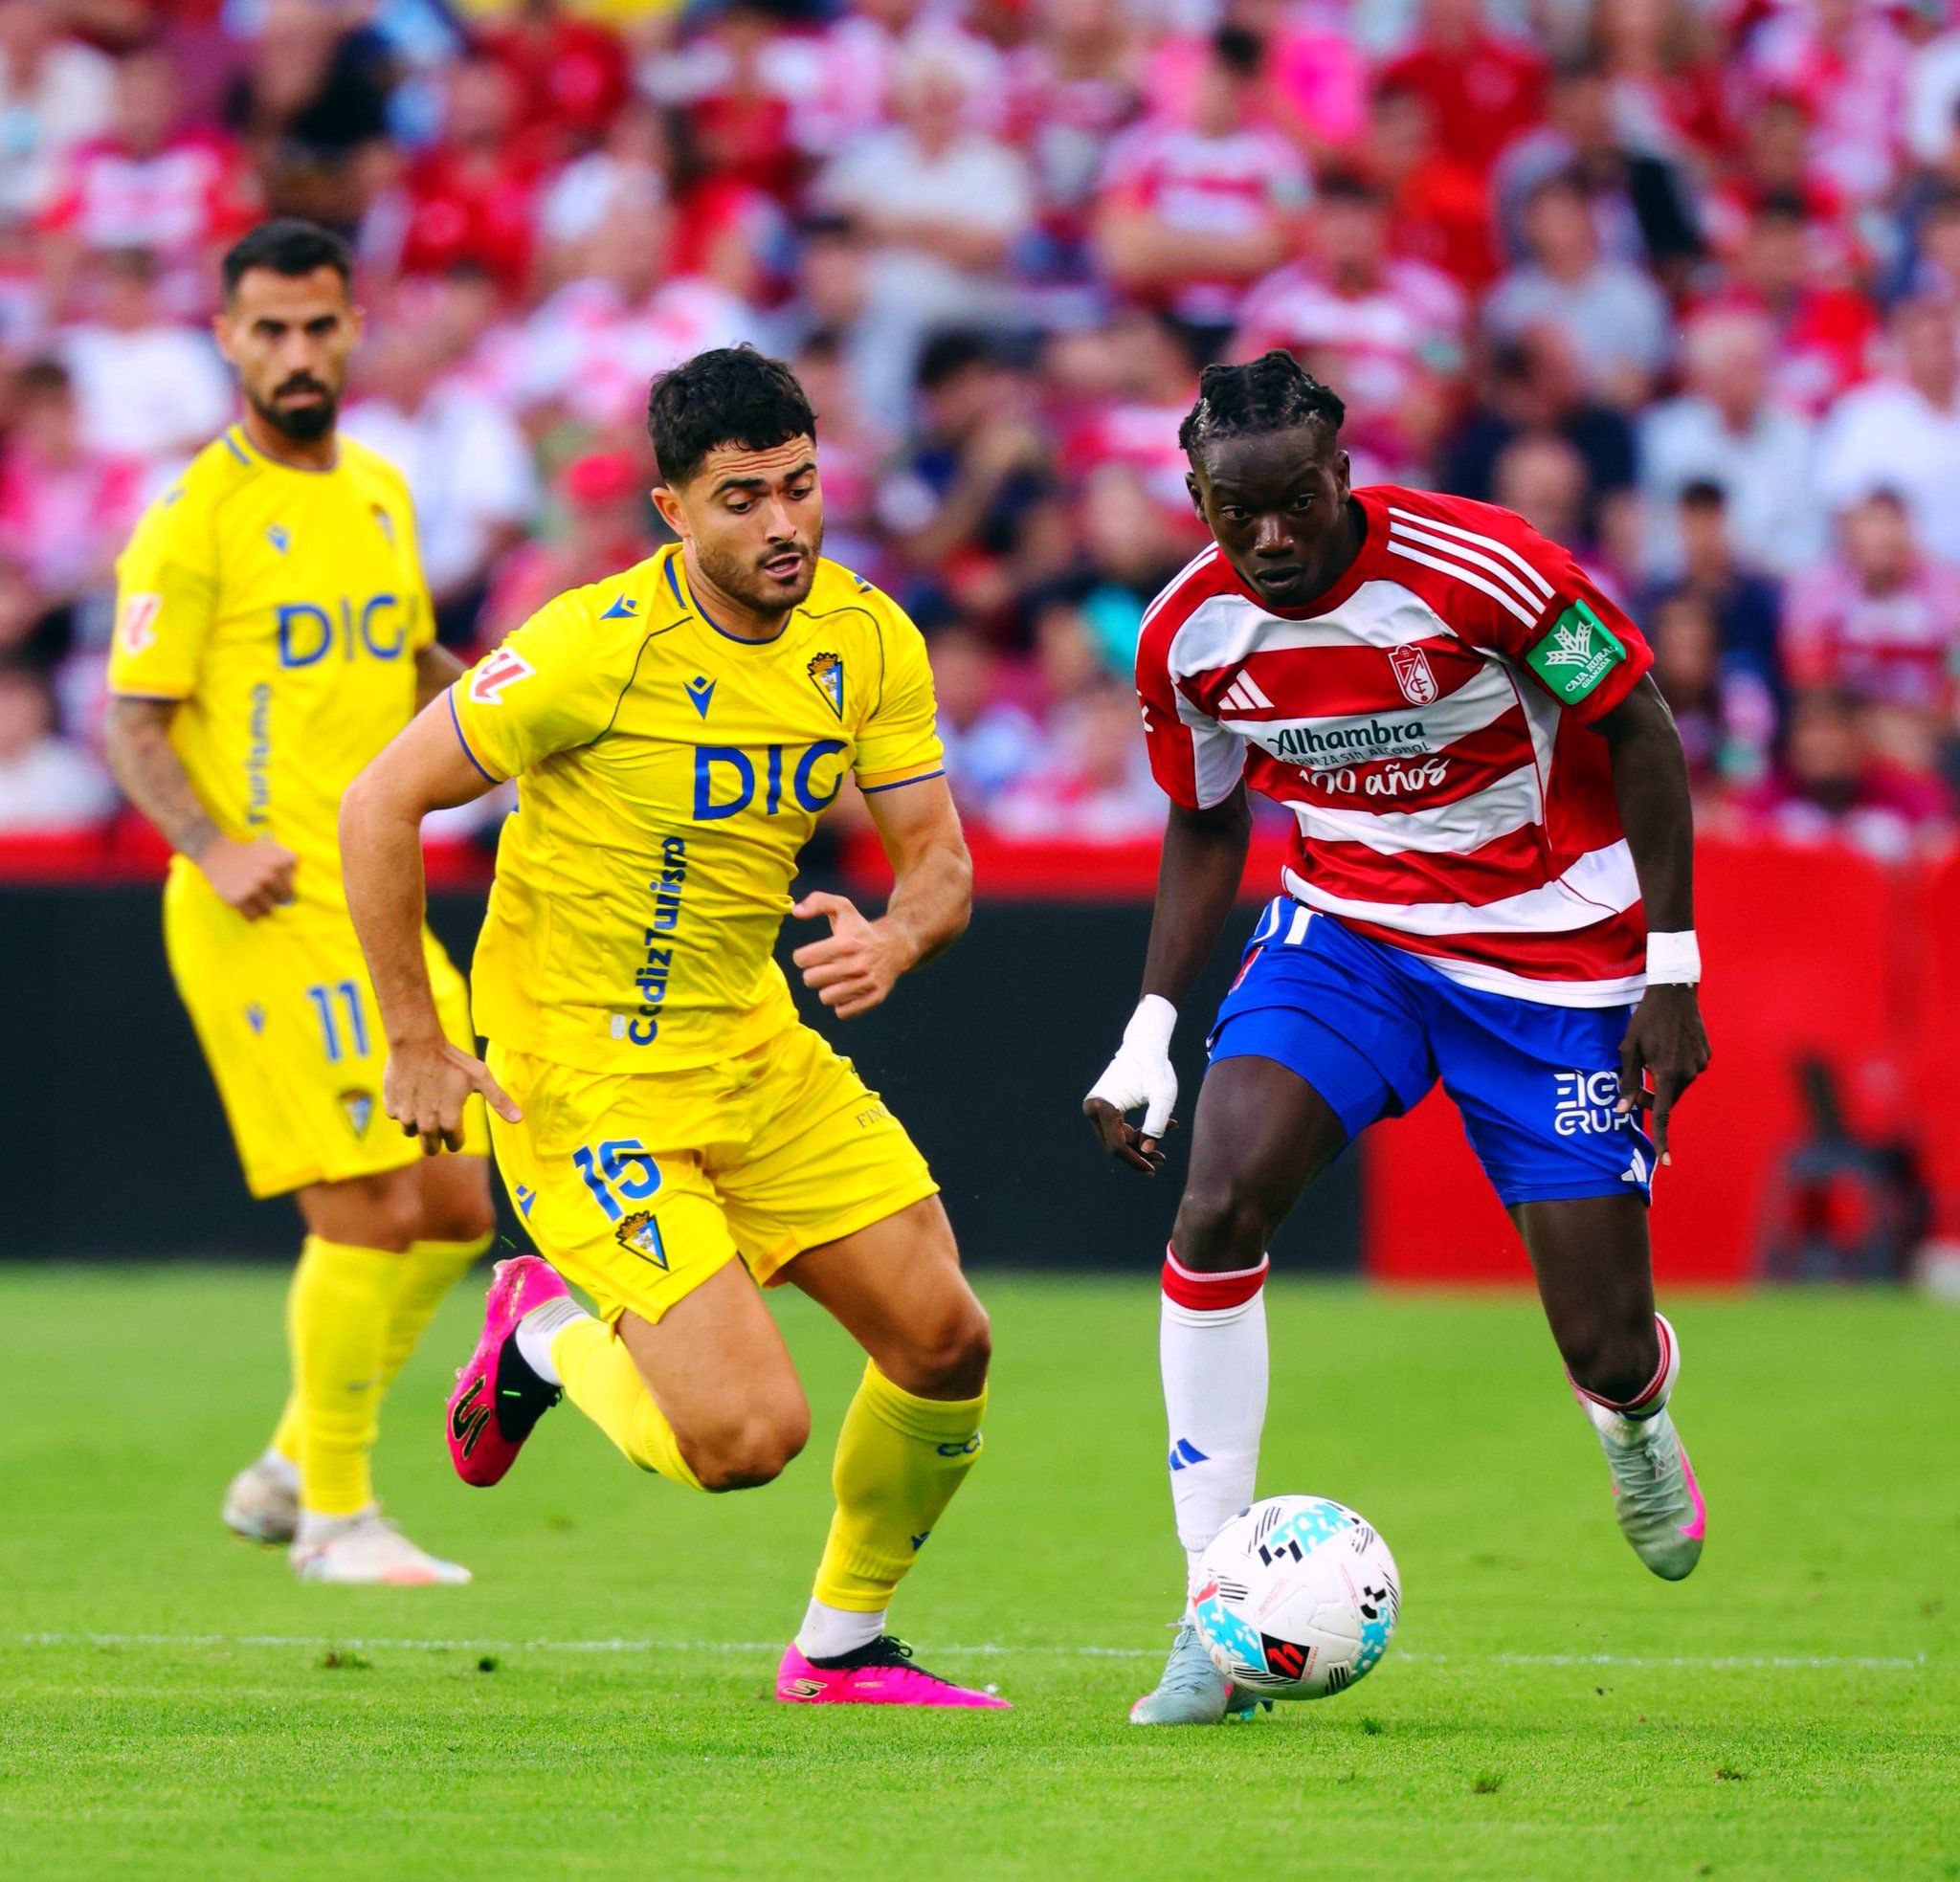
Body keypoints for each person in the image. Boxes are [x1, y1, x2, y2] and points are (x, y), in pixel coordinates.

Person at [337, 345, 1006, 1710]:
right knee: (745, 1437)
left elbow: (936, 857)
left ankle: (841, 1647)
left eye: (802, 490)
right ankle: (538, 1334)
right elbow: (376, 804)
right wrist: (413, 1035)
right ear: (672, 511)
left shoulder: (865, 637)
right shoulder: (594, 648)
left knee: (947, 1341)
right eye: (743, 499)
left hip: (752, 1045)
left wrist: (903, 932)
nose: (783, 527)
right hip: (587, 1077)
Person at [1082, 352, 1712, 1726]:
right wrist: (1151, 1028)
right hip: (1351, 938)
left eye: (1295, 503)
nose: (1271, 538)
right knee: (1218, 1199)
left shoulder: (1488, 570)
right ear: (1193, 495)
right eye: (1233, 510)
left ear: (1341, 475)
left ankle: (1635, 1419)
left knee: (1601, 1339)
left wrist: (1672, 969)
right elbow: (1206, 819)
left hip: (1558, 960)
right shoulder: (1186, 634)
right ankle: (1210, 1605)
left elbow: (1643, 727)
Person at [101, 219, 497, 1586]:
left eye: (318, 326)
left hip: (370, 897)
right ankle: (337, 1516)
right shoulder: (193, 515)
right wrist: (211, 847)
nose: (296, 353)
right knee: (366, 1212)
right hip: (260, 910)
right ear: (227, 340)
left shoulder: (381, 490)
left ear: (353, 328)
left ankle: (286, 1463)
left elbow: (405, 661)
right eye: (267, 329)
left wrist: (511, 706)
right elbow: (133, 722)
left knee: (457, 1199)